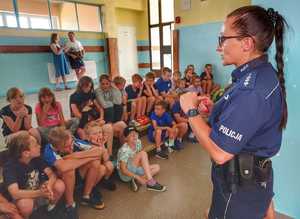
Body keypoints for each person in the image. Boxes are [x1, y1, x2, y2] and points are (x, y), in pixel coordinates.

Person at [180, 6, 287, 219]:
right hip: (251, 181)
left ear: (246, 43)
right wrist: (216, 110)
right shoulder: (260, 74)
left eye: (223, 39)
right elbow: (250, 122)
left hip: (240, 187)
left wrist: (190, 111)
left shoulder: (252, 90)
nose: (219, 47)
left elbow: (220, 153)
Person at [43, 127, 106, 215]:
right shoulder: (49, 151)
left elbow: (99, 151)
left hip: (77, 173)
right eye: (66, 147)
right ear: (57, 147)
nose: (71, 148)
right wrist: (88, 157)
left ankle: (86, 196)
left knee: (96, 162)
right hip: (60, 180)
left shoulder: (72, 140)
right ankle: (70, 204)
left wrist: (74, 155)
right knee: (69, 170)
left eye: (71, 144)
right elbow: (64, 167)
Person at [3, 131, 65, 218]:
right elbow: (15, 193)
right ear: (26, 153)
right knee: (25, 205)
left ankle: (50, 209)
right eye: (36, 145)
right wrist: (40, 193)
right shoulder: (10, 167)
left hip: (38, 190)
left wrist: (49, 186)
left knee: (59, 185)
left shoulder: (36, 158)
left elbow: (52, 174)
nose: (40, 146)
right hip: (24, 196)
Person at [117, 126, 166, 192]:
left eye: (135, 133)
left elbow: (140, 159)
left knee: (157, 167)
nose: (134, 135)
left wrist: (143, 168)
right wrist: (137, 176)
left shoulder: (138, 142)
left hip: (135, 167)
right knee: (143, 153)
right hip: (125, 175)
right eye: (131, 134)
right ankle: (150, 182)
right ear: (126, 138)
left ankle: (138, 180)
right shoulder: (124, 150)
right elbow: (123, 170)